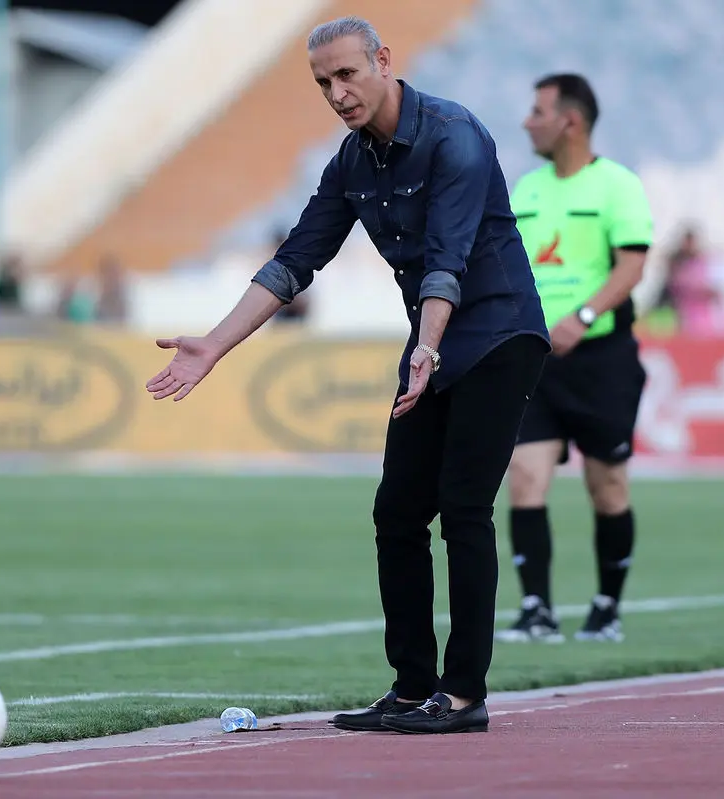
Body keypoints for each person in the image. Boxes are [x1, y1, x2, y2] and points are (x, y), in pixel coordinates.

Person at [146, 16, 549, 734]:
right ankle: (410, 685)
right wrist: (214, 342)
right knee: (396, 512)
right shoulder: (352, 163)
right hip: (432, 343)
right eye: (322, 83)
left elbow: (447, 262)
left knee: (462, 508)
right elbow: (295, 260)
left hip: (497, 332)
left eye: (346, 75)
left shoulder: (455, 134)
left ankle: (462, 695)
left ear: (383, 62)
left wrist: (425, 347)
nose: (336, 93)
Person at [496, 74, 653, 644]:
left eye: (537, 110)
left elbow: (631, 266)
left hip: (601, 359)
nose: (526, 121)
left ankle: (606, 607)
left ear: (571, 120)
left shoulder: (618, 186)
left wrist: (582, 318)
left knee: (606, 484)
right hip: (534, 357)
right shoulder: (527, 190)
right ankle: (536, 610)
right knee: (525, 475)